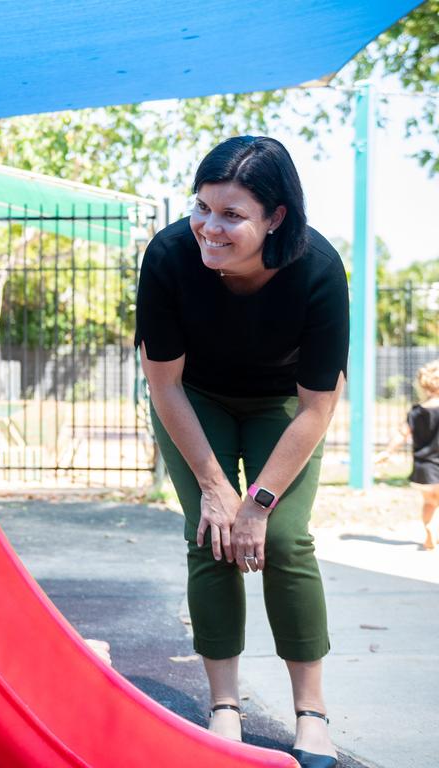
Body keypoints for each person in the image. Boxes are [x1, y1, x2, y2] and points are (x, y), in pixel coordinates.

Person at [135, 136, 348, 768]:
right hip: (194, 396)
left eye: (232, 215)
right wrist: (215, 488)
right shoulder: (171, 256)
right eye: (202, 206)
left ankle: (311, 711)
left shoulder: (317, 268)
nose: (209, 227)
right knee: (213, 533)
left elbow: (318, 407)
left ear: (276, 217)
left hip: (283, 404)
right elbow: (164, 383)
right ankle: (223, 705)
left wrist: (258, 500)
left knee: (282, 539)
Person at [376, 359, 439, 550]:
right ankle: (433, 531)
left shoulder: (416, 411)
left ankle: (429, 529)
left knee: (430, 502)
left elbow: (402, 434)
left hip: (423, 469)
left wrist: (387, 452)